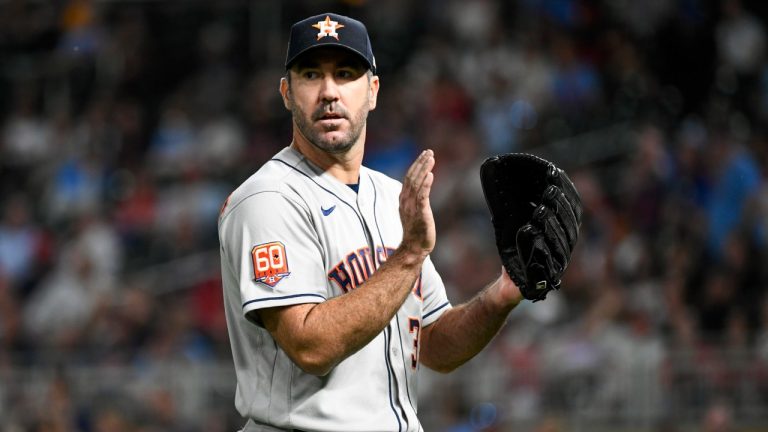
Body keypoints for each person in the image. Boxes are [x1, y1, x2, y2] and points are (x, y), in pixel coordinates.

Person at [218, 13, 523, 432]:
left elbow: (435, 344)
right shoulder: (268, 199)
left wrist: (503, 294)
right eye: (311, 75)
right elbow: (310, 347)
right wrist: (411, 254)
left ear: (373, 91)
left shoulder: (388, 196)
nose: (329, 92)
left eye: (345, 74)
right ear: (287, 92)